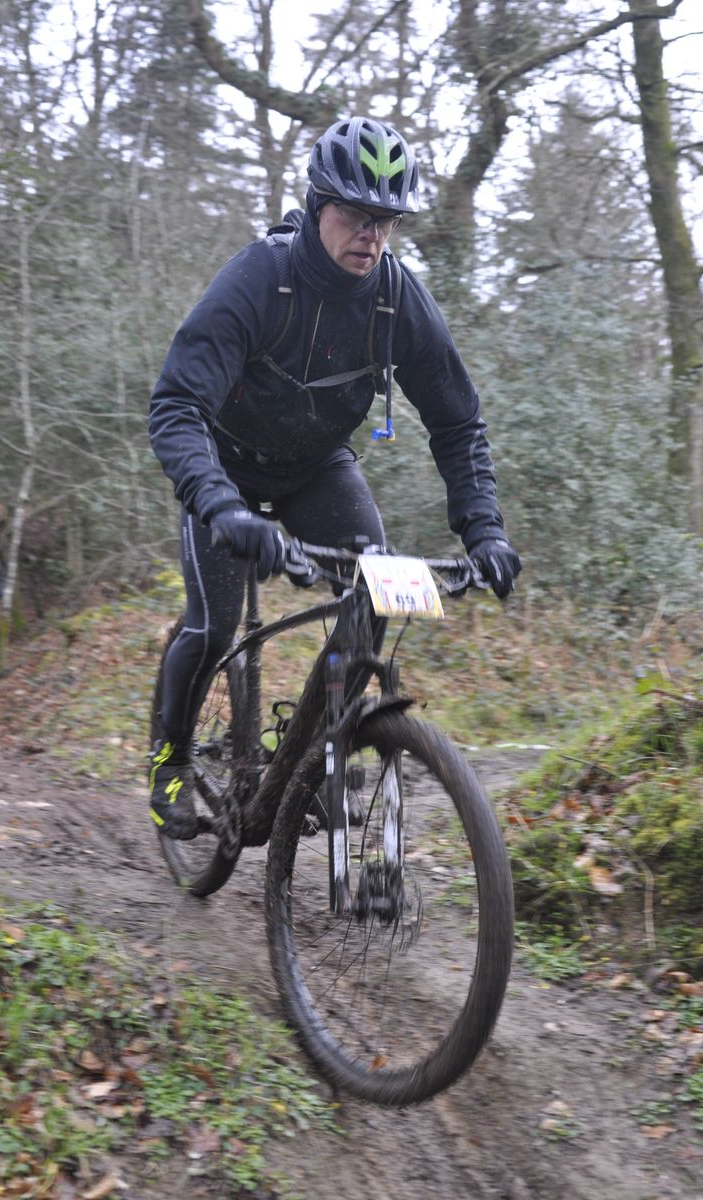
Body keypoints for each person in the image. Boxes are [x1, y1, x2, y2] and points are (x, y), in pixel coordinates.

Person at [148, 115, 521, 838]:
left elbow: (457, 422)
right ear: (319, 205)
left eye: (385, 220)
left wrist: (485, 531)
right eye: (354, 214)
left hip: (315, 467)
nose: (371, 235)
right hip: (224, 465)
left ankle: (319, 757)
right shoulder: (260, 277)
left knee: (374, 587)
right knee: (213, 624)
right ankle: (167, 757)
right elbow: (176, 406)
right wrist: (222, 508)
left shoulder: (396, 299)